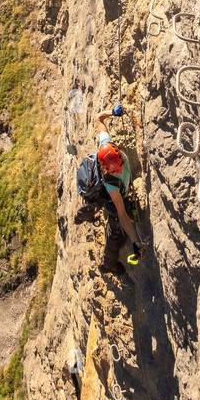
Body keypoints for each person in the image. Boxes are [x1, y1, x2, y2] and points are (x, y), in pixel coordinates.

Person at [75, 105, 141, 282]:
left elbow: (98, 118)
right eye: (117, 169)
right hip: (108, 195)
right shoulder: (112, 186)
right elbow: (123, 216)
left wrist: (113, 112)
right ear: (108, 169)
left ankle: (85, 212)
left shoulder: (106, 145)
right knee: (116, 231)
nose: (120, 168)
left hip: (101, 185)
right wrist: (135, 241)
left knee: (104, 205)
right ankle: (109, 263)